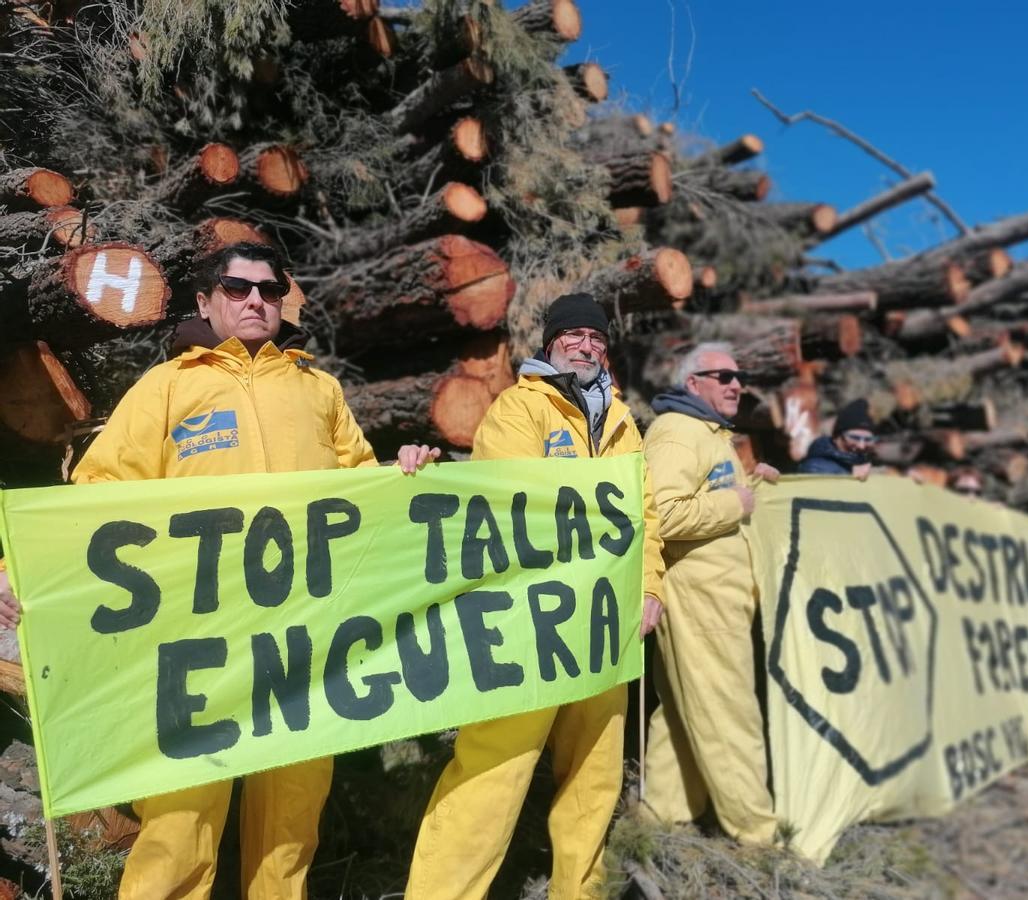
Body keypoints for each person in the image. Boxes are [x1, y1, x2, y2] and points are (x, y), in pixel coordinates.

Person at [1, 240, 378, 900]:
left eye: (268, 289)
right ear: (207, 302)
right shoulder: (168, 387)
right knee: (177, 827)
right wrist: (21, 569)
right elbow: (99, 489)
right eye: (238, 289)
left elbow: (367, 492)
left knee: (290, 825)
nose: (256, 300)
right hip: (198, 649)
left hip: (302, 643)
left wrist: (405, 480)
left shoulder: (319, 392)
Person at [397, 292, 665, 900]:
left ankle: (581, 891)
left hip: (604, 621)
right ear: (551, 345)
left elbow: (643, 515)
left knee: (594, 776)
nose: (587, 346)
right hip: (529, 620)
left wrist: (649, 585)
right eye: (575, 336)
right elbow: (509, 503)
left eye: (596, 339)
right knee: (493, 769)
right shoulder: (520, 409)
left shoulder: (624, 422)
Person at [641, 342, 778, 844]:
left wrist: (756, 486)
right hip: (700, 599)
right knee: (730, 714)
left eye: (738, 377)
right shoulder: (678, 434)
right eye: (723, 376)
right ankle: (757, 838)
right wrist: (734, 503)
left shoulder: (709, 435)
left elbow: (725, 501)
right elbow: (663, 513)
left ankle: (663, 820)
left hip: (718, 599)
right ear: (691, 383)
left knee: (682, 710)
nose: (736, 384)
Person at [796, 398, 875, 479]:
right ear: (836, 437)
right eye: (854, 438)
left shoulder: (866, 461)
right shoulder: (814, 466)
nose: (861, 446)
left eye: (868, 439)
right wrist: (850, 474)